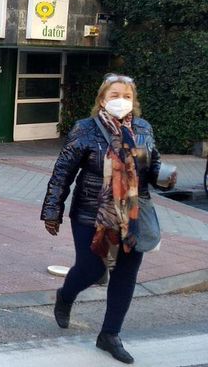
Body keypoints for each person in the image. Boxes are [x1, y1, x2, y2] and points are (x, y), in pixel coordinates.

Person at [41, 74, 173, 364]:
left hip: (131, 213)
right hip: (90, 212)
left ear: (134, 101)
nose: (121, 101)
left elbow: (152, 168)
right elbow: (63, 172)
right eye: (115, 95)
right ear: (103, 99)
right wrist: (53, 210)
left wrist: (165, 177)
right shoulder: (85, 130)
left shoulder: (143, 129)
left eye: (127, 96)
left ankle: (109, 335)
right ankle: (65, 295)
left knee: (125, 274)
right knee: (90, 269)